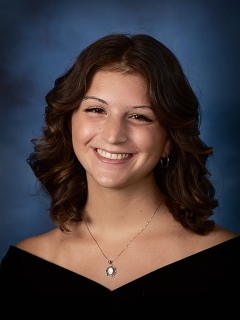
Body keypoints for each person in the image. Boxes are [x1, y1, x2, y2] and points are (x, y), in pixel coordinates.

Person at [0, 33, 239, 316]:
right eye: (96, 109)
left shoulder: (228, 263)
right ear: (68, 124)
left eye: (140, 116)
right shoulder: (25, 266)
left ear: (169, 140)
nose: (113, 135)